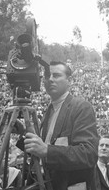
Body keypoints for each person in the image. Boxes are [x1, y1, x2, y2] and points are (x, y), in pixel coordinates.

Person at [23, 61, 98, 190]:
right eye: (47, 76)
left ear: (69, 81)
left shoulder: (81, 107)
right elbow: (42, 150)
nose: (50, 79)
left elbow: (88, 153)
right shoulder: (48, 111)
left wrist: (47, 151)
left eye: (56, 75)